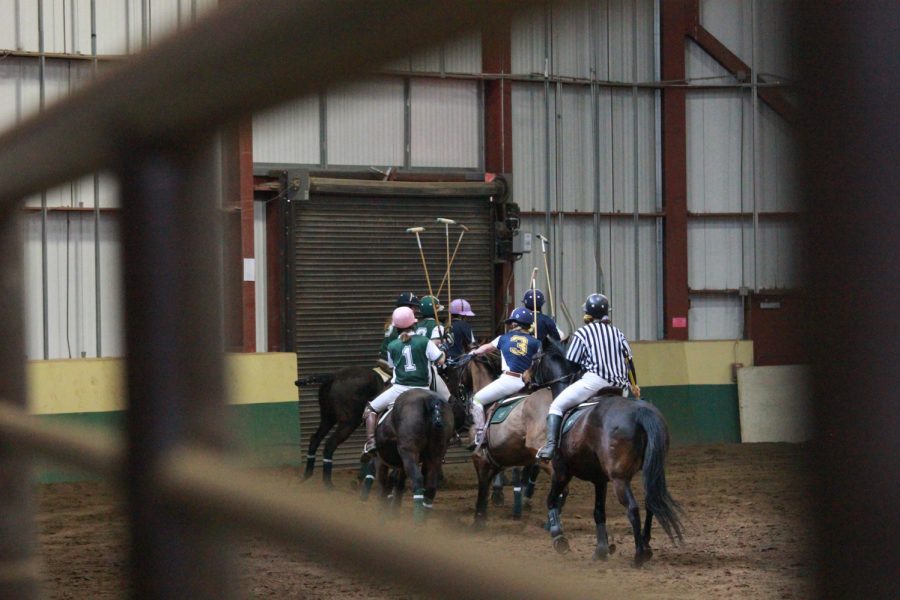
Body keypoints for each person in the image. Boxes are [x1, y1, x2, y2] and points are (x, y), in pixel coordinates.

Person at [535, 293, 640, 461]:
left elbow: (572, 364)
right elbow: (629, 362)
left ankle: (551, 447)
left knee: (556, 406)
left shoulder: (582, 333)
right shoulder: (618, 333)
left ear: (588, 315)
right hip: (620, 387)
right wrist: (635, 385)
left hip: (594, 383)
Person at [363, 306, 447, 456]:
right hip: (424, 389)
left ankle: (370, 442)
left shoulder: (392, 345)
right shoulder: (424, 341)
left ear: (396, 327)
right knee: (447, 406)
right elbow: (440, 361)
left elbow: (391, 365)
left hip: (399, 389)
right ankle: (451, 436)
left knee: (370, 409)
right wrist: (443, 350)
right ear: (414, 324)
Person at [466, 307, 541, 450]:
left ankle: (480, 435)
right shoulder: (536, 342)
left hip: (509, 381)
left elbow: (486, 349)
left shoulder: (503, 338)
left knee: (476, 400)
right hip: (527, 383)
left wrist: (473, 353)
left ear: (514, 324)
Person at [379, 291, 420, 362]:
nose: (415, 310)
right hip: (390, 361)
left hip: (384, 358)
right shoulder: (402, 324)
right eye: (414, 307)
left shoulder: (394, 320)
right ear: (407, 307)